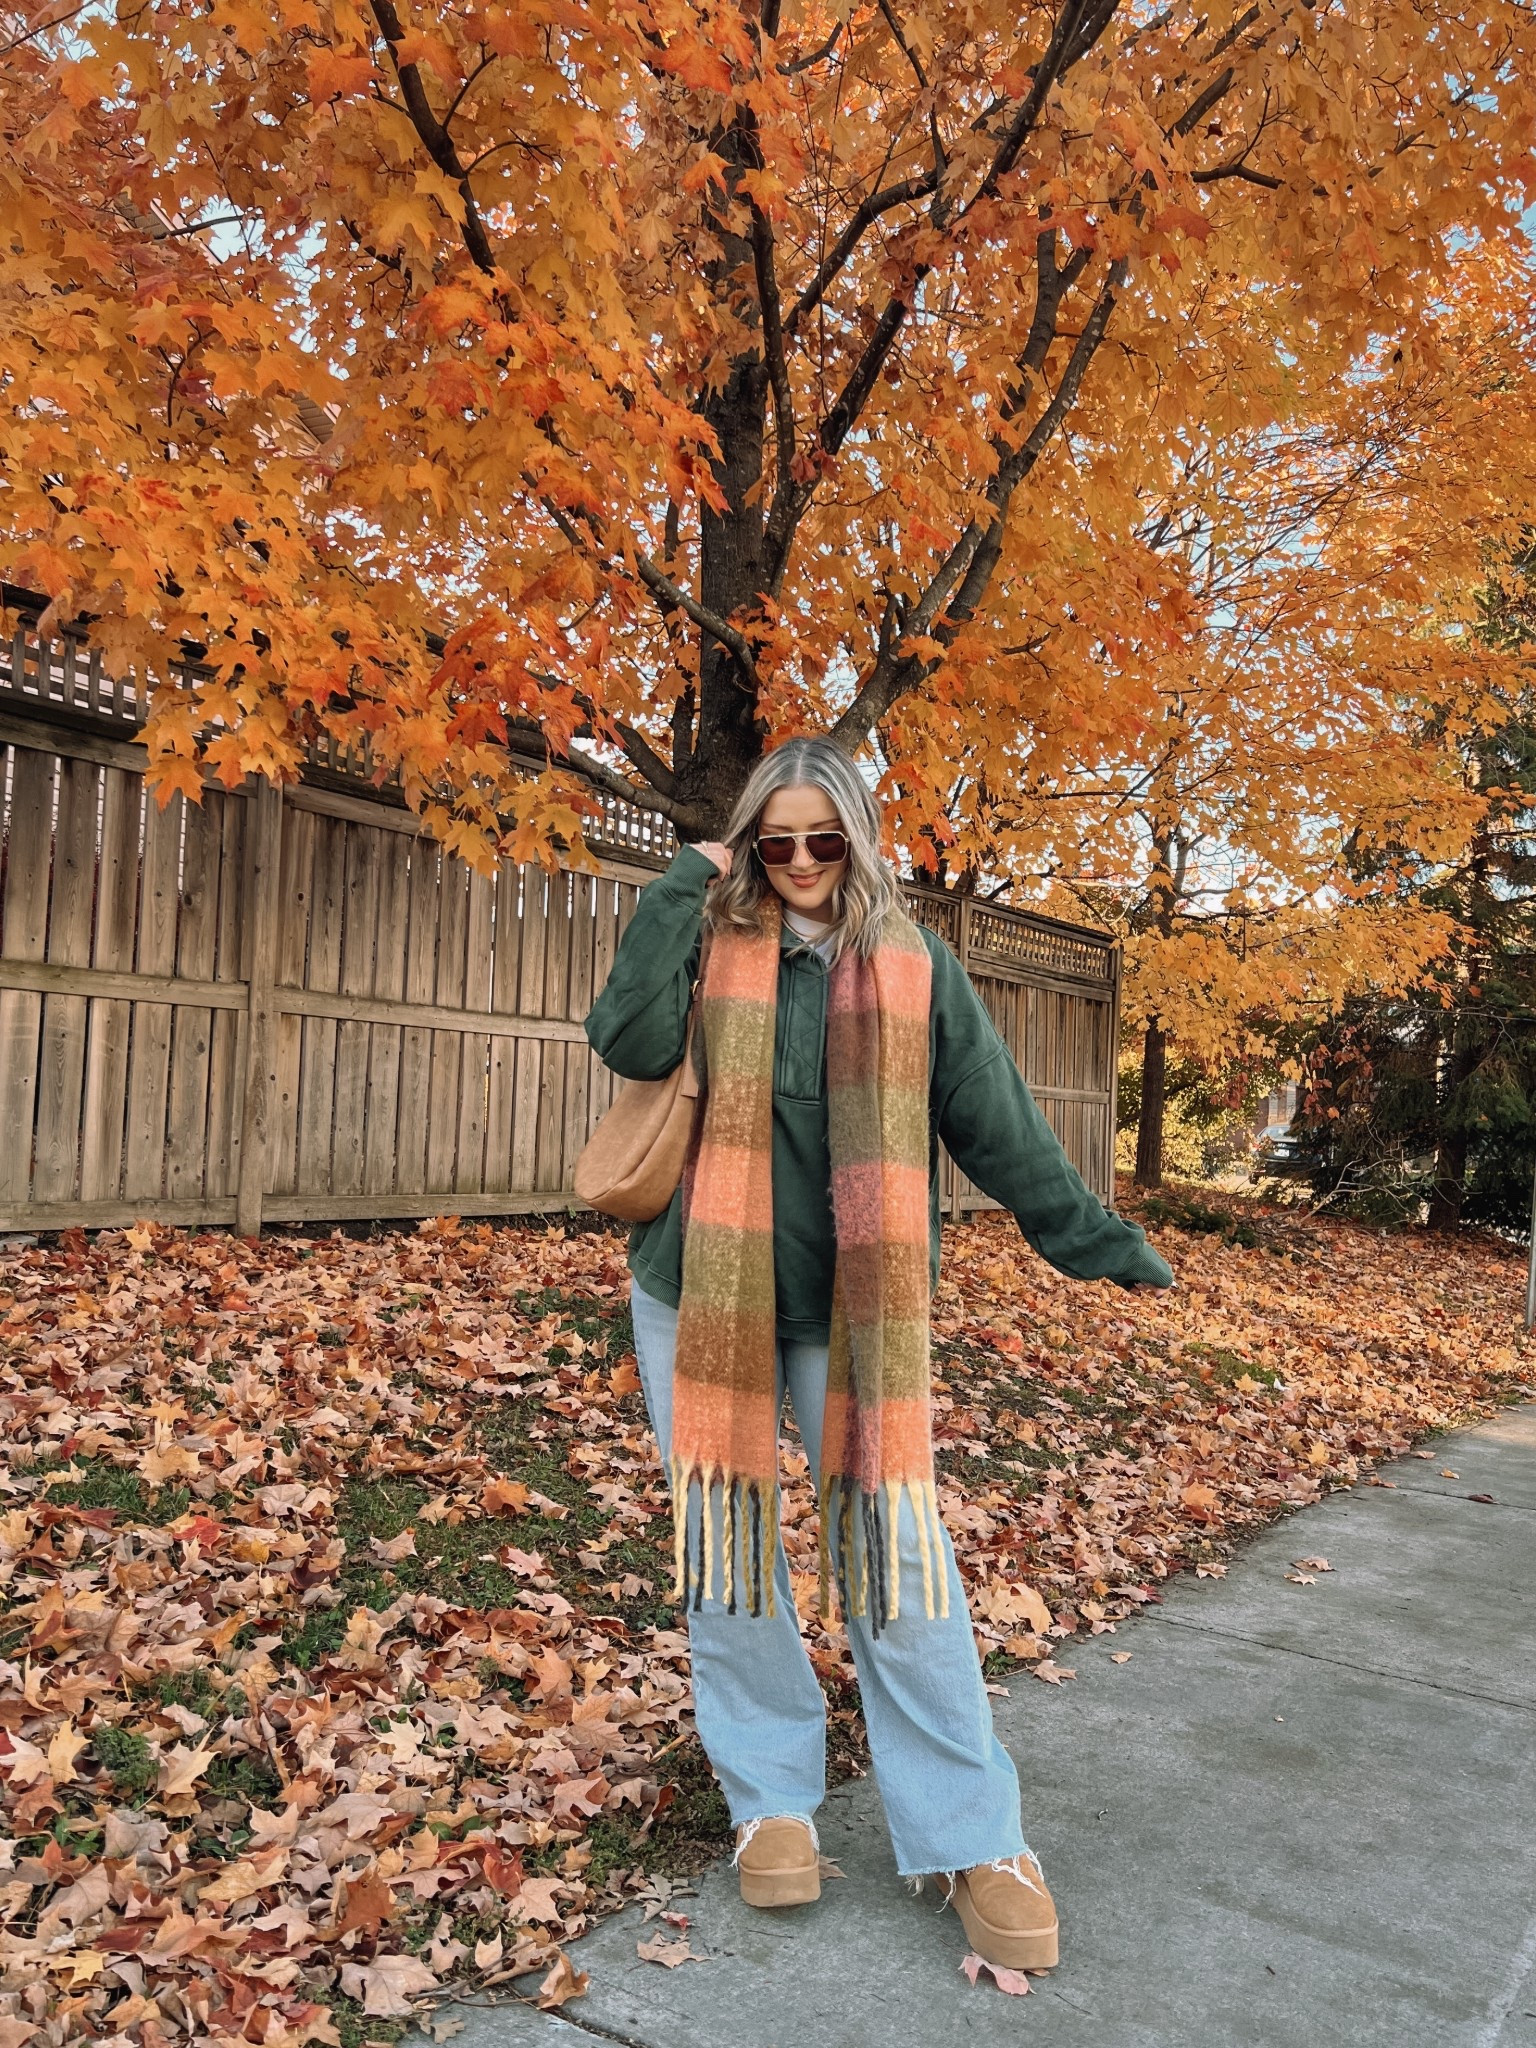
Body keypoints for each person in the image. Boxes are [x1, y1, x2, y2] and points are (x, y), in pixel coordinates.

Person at [584, 735, 1173, 1973]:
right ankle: (773, 1804)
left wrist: (1089, 1234)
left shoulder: (913, 964)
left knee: (900, 1565)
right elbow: (626, 1039)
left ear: (858, 839)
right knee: (731, 1556)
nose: (799, 863)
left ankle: (973, 1832)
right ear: (751, 841)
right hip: (702, 1299)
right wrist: (677, 886)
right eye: (775, 840)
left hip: (858, 1319)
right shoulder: (708, 937)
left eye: (823, 839)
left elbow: (997, 1117)